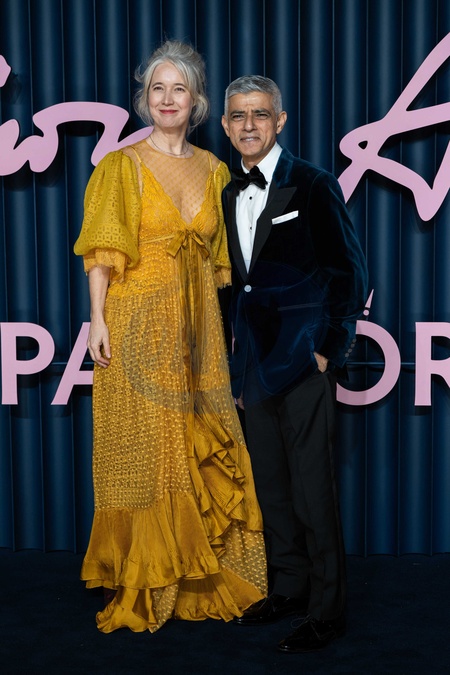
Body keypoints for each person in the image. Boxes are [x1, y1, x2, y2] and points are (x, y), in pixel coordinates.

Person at [73, 42, 267, 634]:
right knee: (150, 454)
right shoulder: (121, 166)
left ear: (196, 101)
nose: (166, 98)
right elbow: (101, 253)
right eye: (156, 88)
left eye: (178, 88)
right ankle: (151, 576)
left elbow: (223, 264)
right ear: (145, 99)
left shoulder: (215, 170)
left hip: (198, 326)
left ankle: (199, 573)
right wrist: (97, 320)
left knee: (198, 444)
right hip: (136, 322)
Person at [221, 75, 368, 653]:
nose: (249, 125)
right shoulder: (228, 193)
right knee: (273, 488)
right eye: (238, 115)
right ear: (226, 125)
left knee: (312, 491)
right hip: (255, 367)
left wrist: (328, 348)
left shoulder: (313, 182)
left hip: (305, 362)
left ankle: (327, 611)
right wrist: (237, 368)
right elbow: (239, 288)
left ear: (279, 121)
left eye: (260, 114)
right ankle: (289, 588)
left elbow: (348, 272)